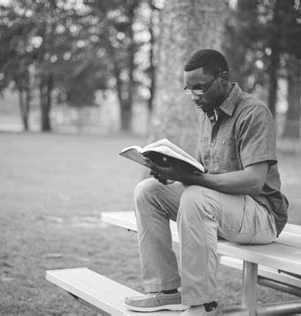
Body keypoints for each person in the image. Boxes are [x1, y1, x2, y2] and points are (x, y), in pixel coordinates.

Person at [124, 49, 289, 316]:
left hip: (261, 215)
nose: (194, 97)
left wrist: (192, 179)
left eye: (199, 89)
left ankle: (201, 304)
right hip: (220, 209)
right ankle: (164, 291)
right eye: (188, 90)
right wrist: (173, 172)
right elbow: (202, 171)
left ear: (223, 79)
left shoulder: (253, 113)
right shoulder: (207, 112)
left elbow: (254, 182)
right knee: (148, 191)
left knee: (196, 197)